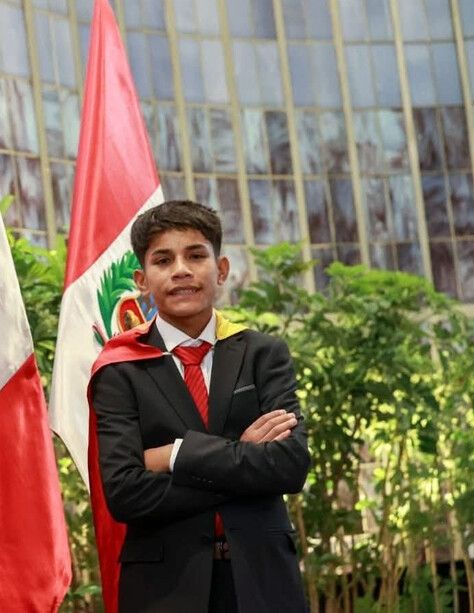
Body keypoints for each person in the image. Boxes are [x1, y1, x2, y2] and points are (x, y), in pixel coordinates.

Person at [90, 200, 311, 613]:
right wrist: (243, 456)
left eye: (195, 255)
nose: (181, 270)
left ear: (221, 269)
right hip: (165, 588)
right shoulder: (120, 370)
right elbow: (124, 493)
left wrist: (176, 454)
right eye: (163, 259)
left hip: (263, 581)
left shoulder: (264, 355)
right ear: (141, 279)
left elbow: (290, 465)